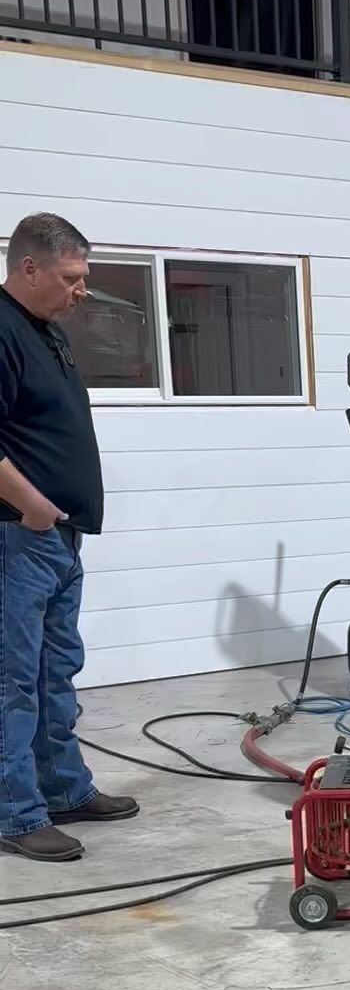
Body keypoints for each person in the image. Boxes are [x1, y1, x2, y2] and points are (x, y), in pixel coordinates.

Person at [0, 211, 136, 862]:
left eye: (84, 278)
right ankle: (15, 812)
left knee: (57, 674)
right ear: (29, 267)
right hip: (17, 541)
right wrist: (30, 507)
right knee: (13, 680)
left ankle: (62, 789)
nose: (81, 290)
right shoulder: (0, 328)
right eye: (70, 277)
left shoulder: (45, 331)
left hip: (59, 541)